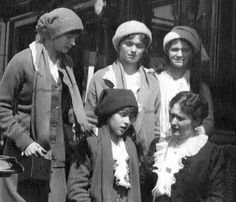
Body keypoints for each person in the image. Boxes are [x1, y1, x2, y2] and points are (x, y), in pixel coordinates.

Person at [0, 7, 91, 202]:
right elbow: (2, 105)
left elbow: (66, 108)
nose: (74, 42)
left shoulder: (67, 64)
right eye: (69, 36)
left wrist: (80, 125)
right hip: (20, 155)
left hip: (55, 157)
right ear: (54, 33)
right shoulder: (23, 61)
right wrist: (25, 141)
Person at [85, 20, 160, 157]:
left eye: (139, 46)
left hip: (144, 155)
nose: (133, 50)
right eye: (128, 44)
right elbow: (90, 119)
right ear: (119, 46)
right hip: (110, 153)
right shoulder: (102, 77)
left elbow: (156, 123)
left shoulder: (152, 81)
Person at [142, 91, 225, 201]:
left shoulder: (211, 153)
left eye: (180, 118)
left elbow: (217, 197)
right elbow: (142, 186)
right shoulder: (158, 146)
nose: (173, 122)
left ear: (196, 121)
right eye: (172, 115)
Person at [67, 88, 141, 202]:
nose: (127, 121)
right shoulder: (90, 143)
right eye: (122, 115)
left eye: (130, 117)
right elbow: (77, 189)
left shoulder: (130, 146)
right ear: (109, 113)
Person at [156, 26, 214, 140]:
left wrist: (195, 135)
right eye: (174, 49)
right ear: (167, 51)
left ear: (191, 54)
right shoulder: (156, 80)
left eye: (185, 50)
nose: (179, 55)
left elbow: (209, 123)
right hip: (159, 142)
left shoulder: (198, 86)